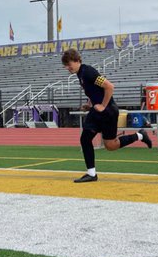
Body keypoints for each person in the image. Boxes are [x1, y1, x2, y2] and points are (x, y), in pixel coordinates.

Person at [62, 48, 152, 184]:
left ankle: (139, 135)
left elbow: (109, 87)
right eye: (66, 65)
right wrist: (89, 103)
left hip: (108, 111)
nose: (67, 68)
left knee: (110, 145)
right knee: (85, 138)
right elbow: (94, 91)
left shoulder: (88, 72)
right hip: (97, 111)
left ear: (77, 60)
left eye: (69, 64)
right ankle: (91, 173)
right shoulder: (80, 74)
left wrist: (103, 105)